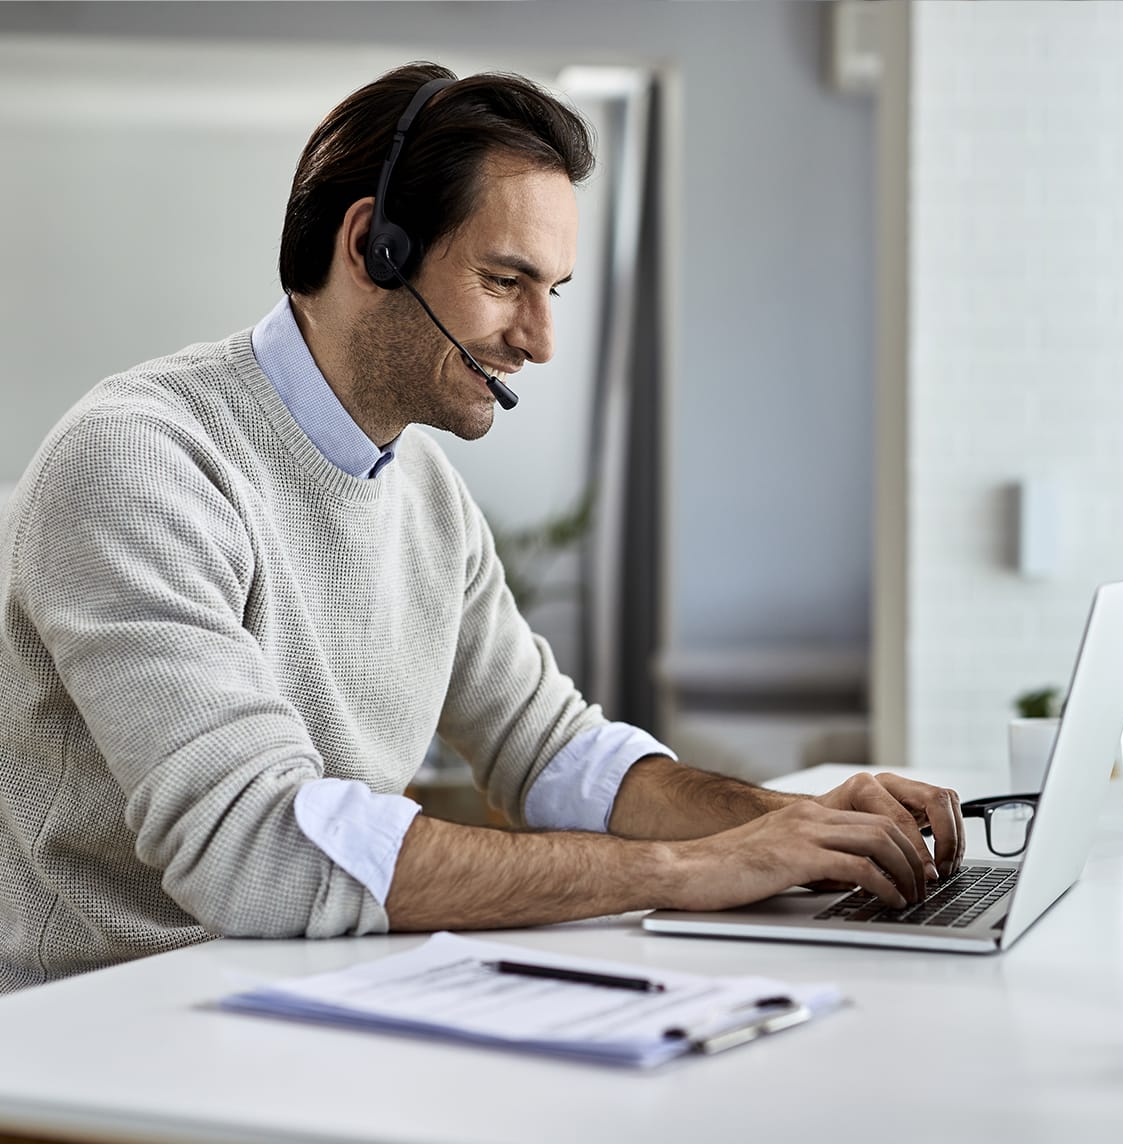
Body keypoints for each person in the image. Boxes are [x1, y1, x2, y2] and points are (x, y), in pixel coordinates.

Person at [0, 61, 964, 993]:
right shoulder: (142, 462)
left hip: (302, 1005)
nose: (540, 341)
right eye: (507, 282)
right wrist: (682, 871)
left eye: (554, 292)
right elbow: (258, 850)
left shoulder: (422, 488)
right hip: (108, 1028)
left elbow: (552, 750)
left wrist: (790, 822)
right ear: (375, 245)